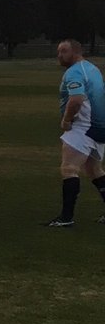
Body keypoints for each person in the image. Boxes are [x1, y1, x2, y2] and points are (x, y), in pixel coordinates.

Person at [46, 39, 105, 227]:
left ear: (76, 52)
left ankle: (66, 218)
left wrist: (66, 120)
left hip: (83, 126)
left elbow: (77, 99)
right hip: (99, 126)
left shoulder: (75, 72)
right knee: (94, 170)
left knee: (69, 169)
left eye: (64, 51)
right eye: (58, 52)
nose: (59, 55)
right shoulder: (93, 69)